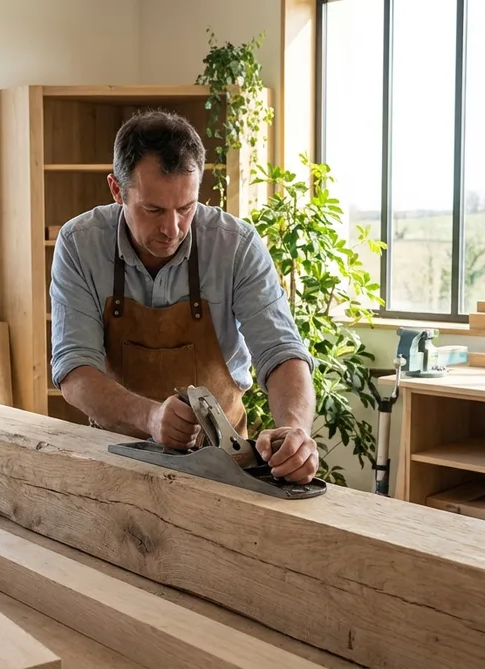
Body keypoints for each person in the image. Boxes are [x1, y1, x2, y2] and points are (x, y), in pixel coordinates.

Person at [48, 109, 320, 484]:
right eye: (153, 209)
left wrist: (293, 430)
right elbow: (74, 369)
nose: (172, 229)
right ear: (116, 190)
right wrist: (150, 417)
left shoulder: (236, 246)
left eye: (186, 207)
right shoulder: (80, 244)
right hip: (115, 463)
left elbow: (282, 351)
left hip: (223, 469)